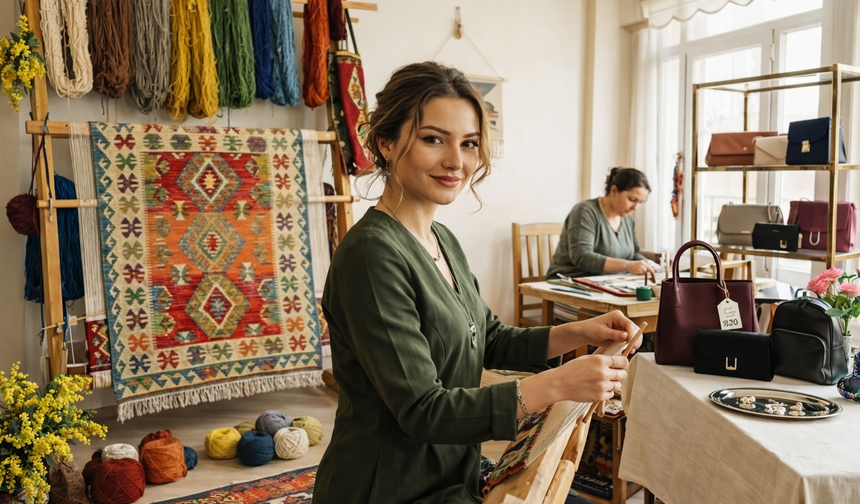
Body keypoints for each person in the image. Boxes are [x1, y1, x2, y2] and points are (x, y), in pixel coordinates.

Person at [314, 62, 641, 504]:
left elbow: (487, 336)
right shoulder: (371, 256)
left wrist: (580, 332)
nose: (457, 161)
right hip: (390, 486)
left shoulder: (440, 239)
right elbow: (422, 411)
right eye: (434, 139)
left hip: (453, 471)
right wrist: (558, 384)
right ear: (386, 143)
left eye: (468, 143)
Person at [546, 168, 653, 281]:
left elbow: (634, 253)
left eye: (640, 202)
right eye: (632, 199)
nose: (635, 207)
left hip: (611, 281)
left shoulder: (627, 218)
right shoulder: (584, 211)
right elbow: (582, 257)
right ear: (614, 190)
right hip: (571, 280)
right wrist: (628, 266)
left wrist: (647, 264)